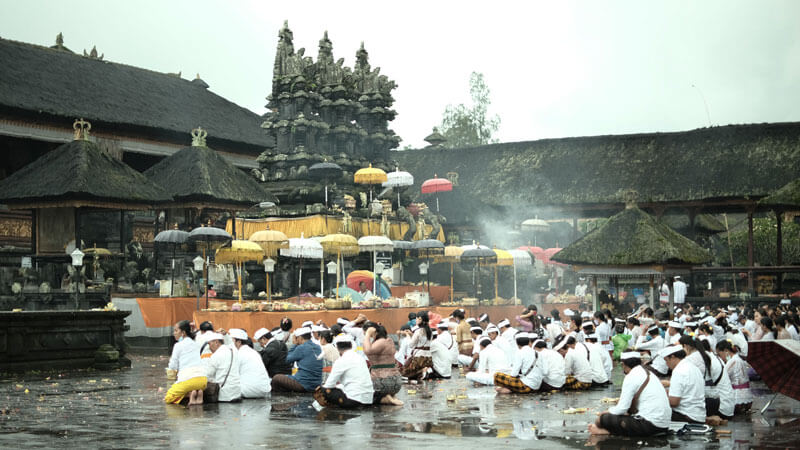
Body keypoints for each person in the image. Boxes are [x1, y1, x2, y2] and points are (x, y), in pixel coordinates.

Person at [589, 352, 671, 437]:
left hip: (650, 425)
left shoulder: (631, 376)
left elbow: (622, 408)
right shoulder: (649, 373)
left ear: (623, 364)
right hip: (664, 425)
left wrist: (606, 411)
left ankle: (607, 432)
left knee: (601, 419)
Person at [314, 334, 373, 409]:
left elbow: (329, 385)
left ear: (337, 347)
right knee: (340, 387)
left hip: (354, 401)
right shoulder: (360, 358)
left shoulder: (341, 361)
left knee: (323, 390)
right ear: (351, 345)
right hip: (368, 400)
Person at [164, 320, 207, 405]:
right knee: (188, 385)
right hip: (203, 381)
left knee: (168, 398)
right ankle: (197, 395)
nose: (174, 333)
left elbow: (173, 366)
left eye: (176, 331)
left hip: (189, 380)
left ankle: (190, 394)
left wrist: (172, 370)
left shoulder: (178, 346)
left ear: (183, 333)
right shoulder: (195, 344)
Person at [361, 322, 403, 406]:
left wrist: (368, 335)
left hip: (382, 382)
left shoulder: (381, 342)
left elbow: (368, 351)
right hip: (396, 383)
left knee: (363, 395)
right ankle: (391, 395)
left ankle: (385, 398)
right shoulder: (389, 340)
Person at [662, 346, 706, 423]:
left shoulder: (678, 371)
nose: (666, 364)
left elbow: (674, 402)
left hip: (685, 415)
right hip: (699, 414)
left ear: (672, 357)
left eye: (666, 360)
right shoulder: (693, 367)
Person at [271, 327, 322, 393]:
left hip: (304, 384)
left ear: (300, 338)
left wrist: (294, 344)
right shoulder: (318, 347)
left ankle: (281, 398)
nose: (296, 340)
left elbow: (287, 360)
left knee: (276, 378)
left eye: (296, 338)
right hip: (316, 384)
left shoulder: (301, 348)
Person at [229, 328, 270, 398]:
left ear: (238, 342)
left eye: (232, 340)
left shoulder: (239, 354)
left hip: (249, 391)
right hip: (265, 390)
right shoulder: (253, 352)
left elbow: (232, 374)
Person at [716, 339, 752, 414]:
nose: (719, 357)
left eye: (719, 355)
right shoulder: (738, 358)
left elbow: (722, 376)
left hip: (737, 399)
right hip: (747, 398)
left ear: (726, 351)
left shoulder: (732, 361)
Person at [204, 332, 242, 402]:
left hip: (225, 395)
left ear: (216, 342)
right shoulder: (234, 351)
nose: (209, 347)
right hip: (238, 392)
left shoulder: (216, 355)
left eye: (209, 344)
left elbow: (208, 374)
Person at [401, 311, 434, 380]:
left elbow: (411, 345)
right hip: (428, 358)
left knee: (405, 374)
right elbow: (422, 341)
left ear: (421, 320)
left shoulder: (418, 331)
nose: (416, 320)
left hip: (419, 357)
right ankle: (427, 370)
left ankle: (422, 370)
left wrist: (408, 336)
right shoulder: (430, 331)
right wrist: (411, 335)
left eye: (417, 319)